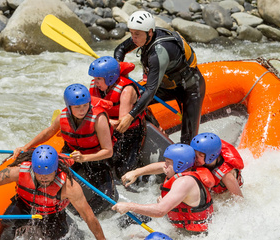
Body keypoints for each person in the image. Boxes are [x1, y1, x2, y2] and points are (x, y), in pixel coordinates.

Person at [0, 145, 110, 240]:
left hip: (53, 214)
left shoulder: (69, 186)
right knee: (6, 229)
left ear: (56, 169)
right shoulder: (20, 171)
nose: (44, 178)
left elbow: (88, 216)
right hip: (24, 205)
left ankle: (71, 227)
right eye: (39, 174)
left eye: (48, 174)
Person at [13, 84, 118, 216]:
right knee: (55, 186)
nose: (82, 110)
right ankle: (65, 211)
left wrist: (84, 158)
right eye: (77, 107)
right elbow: (47, 133)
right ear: (69, 107)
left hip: (96, 158)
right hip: (70, 155)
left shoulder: (99, 119)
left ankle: (84, 215)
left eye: (85, 105)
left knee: (106, 198)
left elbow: (108, 151)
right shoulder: (62, 116)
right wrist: (26, 147)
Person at [113, 10, 206, 145]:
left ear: (150, 32)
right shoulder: (143, 35)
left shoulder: (158, 52)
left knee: (188, 140)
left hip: (190, 89)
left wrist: (130, 116)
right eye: (131, 33)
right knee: (134, 99)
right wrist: (119, 67)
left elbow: (151, 91)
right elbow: (120, 49)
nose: (133, 38)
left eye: (136, 34)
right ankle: (157, 130)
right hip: (167, 86)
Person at [113, 143, 215, 234]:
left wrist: (129, 206)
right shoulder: (179, 169)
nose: (164, 166)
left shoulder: (184, 182)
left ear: (180, 164)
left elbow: (160, 211)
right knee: (126, 220)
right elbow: (159, 167)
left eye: (168, 162)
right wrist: (136, 172)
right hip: (177, 223)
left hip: (191, 234)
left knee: (136, 237)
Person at [88, 56, 146, 179]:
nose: (95, 82)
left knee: (123, 171)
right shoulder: (95, 86)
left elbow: (122, 125)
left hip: (130, 132)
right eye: (94, 78)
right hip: (107, 128)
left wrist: (101, 122)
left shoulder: (126, 90)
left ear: (110, 78)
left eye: (99, 78)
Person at [191, 132, 244, 198]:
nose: (193, 158)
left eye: (199, 156)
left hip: (223, 194)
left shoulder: (227, 176)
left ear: (211, 156)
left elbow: (239, 199)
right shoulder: (201, 161)